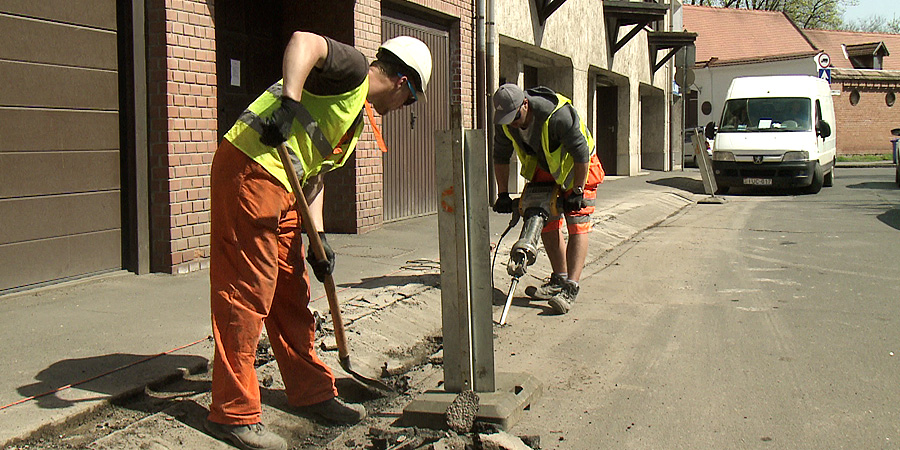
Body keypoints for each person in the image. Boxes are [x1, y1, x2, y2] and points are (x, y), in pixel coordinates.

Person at [205, 31, 432, 450]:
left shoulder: (355, 117)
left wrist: (319, 237)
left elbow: (314, 176)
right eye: (412, 101)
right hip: (251, 169)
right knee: (247, 293)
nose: (404, 110)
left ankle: (310, 391)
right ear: (404, 83)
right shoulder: (354, 69)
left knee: (291, 292)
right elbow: (303, 42)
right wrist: (289, 101)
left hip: (287, 187)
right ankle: (232, 411)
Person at [491, 84, 604, 315]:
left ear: (525, 103)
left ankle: (571, 286)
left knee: (577, 223)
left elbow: (581, 153)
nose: (512, 123)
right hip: (545, 168)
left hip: (580, 167)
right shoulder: (504, 124)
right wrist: (502, 193)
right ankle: (559, 279)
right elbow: (501, 157)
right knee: (543, 218)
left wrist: (578, 191)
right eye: (507, 119)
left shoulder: (557, 115)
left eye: (516, 117)